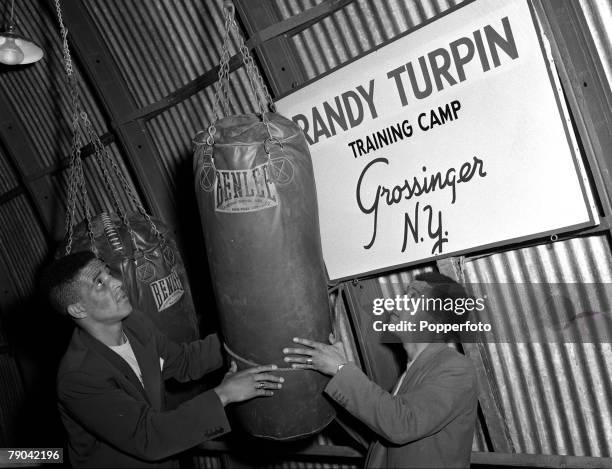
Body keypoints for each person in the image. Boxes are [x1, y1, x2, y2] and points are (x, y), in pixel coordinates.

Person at [42, 250, 283, 468]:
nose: (116, 282)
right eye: (99, 283)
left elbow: (184, 361)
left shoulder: (135, 324)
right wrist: (225, 394)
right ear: (78, 310)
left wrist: (244, 337)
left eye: (109, 274)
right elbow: (150, 437)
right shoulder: (78, 378)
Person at [283, 272, 478, 468]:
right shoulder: (412, 371)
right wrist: (328, 375)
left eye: (413, 296)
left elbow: (401, 425)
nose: (398, 301)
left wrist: (341, 370)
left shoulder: (457, 368)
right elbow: (380, 439)